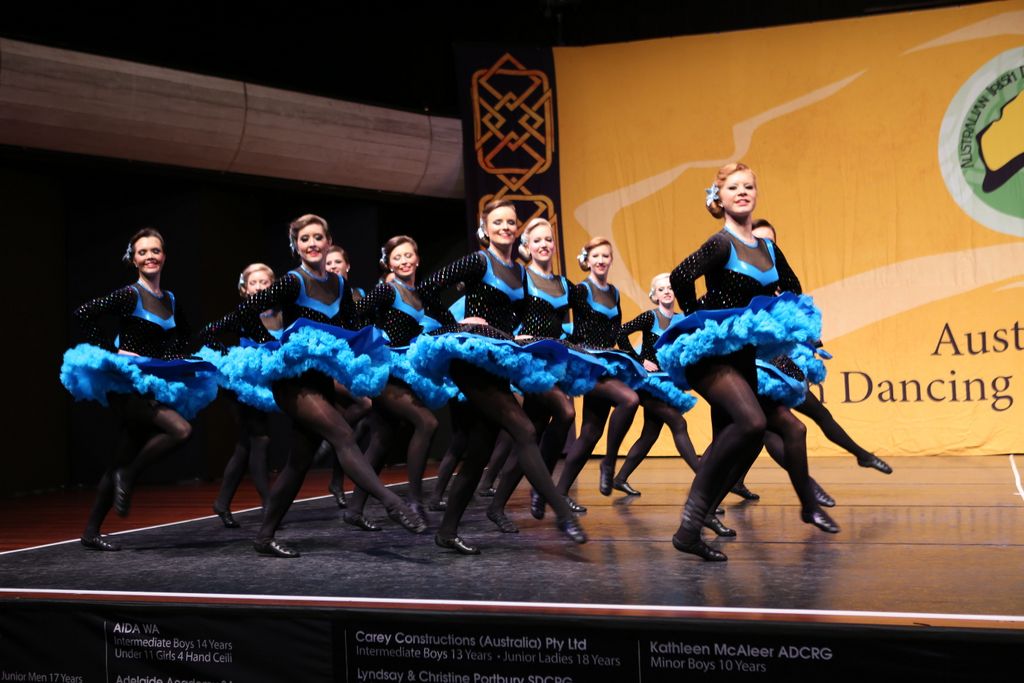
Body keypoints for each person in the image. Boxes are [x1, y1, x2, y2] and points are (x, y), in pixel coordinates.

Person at [200, 214, 425, 557]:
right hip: (292, 382)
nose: (312, 244)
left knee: (298, 464)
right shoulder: (292, 282)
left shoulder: (339, 285)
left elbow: (352, 324)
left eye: (318, 237)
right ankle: (392, 503)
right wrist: (269, 345)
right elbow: (247, 312)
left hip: (320, 380)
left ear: (328, 241)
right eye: (304, 239)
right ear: (296, 246)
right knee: (343, 435)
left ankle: (264, 537)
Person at [658, 163, 837, 562]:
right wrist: (701, 316)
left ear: (756, 194)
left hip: (742, 357)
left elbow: (793, 289)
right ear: (719, 199)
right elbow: (681, 276)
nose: (742, 192)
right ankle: (690, 525)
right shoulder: (721, 244)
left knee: (747, 435)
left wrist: (779, 318)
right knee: (753, 423)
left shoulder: (768, 248)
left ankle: (692, 529)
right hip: (711, 355)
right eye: (733, 187)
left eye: (749, 187)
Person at [410, 199, 587, 554]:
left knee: (479, 452)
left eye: (510, 222)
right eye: (498, 222)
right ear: (485, 228)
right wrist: (454, 323)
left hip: (499, 358)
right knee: (524, 429)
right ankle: (562, 512)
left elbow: (519, 312)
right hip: (472, 359)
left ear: (516, 228)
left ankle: (447, 531)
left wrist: (519, 334)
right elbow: (426, 288)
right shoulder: (479, 261)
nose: (505, 227)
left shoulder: (521, 273)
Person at [61, 228, 217, 551]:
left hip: (155, 382)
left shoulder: (170, 299)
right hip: (130, 384)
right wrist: (113, 352)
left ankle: (91, 531)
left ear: (164, 256)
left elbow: (183, 340)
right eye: (142, 252)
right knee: (181, 430)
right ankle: (129, 476)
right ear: (133, 259)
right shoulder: (129, 294)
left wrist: (204, 349)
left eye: (155, 251)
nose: (150, 257)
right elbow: (84, 313)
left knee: (123, 452)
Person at [484, 217, 605, 528]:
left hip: (555, 360)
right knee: (566, 413)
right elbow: (501, 309)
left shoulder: (565, 284)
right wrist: (513, 335)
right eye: (537, 240)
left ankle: (497, 506)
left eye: (548, 240)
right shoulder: (522, 278)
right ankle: (543, 489)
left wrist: (578, 343)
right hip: (530, 361)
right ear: (527, 245)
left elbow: (587, 319)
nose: (544, 245)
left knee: (532, 434)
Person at [750, 219, 892, 476]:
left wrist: (809, 340)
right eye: (758, 241)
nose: (764, 246)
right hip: (755, 363)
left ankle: (862, 456)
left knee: (816, 412)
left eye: (769, 242)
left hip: (782, 360)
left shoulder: (783, 282)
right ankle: (807, 483)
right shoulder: (742, 282)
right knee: (767, 429)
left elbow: (799, 317)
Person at [342, 235, 453, 527]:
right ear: (388, 264)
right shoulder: (387, 290)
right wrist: (373, 341)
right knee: (427, 423)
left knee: (382, 438)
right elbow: (353, 315)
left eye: (408, 255)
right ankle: (414, 501)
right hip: (386, 371)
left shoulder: (421, 293)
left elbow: (447, 322)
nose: (404, 261)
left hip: (409, 371)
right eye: (397, 257)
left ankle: (354, 509)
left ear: (417, 259)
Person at [554, 237, 643, 503]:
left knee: (591, 433)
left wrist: (633, 359)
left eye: (606, 256)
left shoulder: (614, 292)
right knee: (629, 400)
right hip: (587, 364)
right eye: (596, 256)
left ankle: (560, 493)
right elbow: (558, 317)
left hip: (606, 362)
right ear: (587, 260)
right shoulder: (581, 290)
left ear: (611, 260)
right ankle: (609, 462)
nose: (601, 260)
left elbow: (617, 331)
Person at [201, 263, 282, 527]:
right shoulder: (243, 313)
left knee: (246, 445)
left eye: (264, 282)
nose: (258, 287)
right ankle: (269, 505)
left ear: (273, 286)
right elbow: (209, 332)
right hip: (242, 386)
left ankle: (222, 502)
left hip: (265, 385)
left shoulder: (281, 314)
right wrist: (230, 359)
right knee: (261, 439)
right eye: (253, 283)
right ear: (245, 289)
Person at [612, 274, 701, 497]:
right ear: (655, 295)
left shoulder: (682, 319)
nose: (667, 292)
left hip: (668, 383)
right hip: (649, 384)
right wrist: (640, 359)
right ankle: (705, 481)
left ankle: (620, 479)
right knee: (678, 423)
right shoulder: (649, 317)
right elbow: (621, 333)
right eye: (661, 289)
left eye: (670, 288)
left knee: (649, 435)